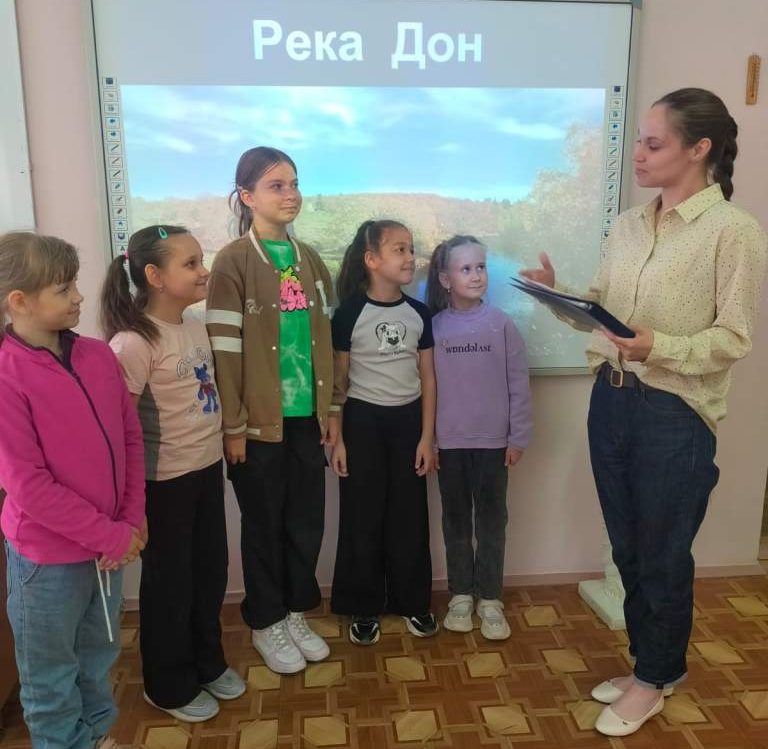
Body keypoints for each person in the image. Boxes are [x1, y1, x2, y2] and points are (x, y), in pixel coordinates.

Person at [522, 88, 767, 737]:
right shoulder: (629, 224)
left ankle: (654, 678)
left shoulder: (734, 232)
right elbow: (602, 308)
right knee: (628, 547)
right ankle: (651, 666)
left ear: (699, 148)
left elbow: (734, 338)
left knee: (662, 553)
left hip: (674, 412)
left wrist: (661, 346)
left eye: (653, 143)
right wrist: (555, 294)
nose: (638, 153)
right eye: (638, 140)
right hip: (611, 398)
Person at [0, 232, 145, 749]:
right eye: (63, 289)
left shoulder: (97, 356)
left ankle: (98, 736)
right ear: (20, 301)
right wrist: (110, 535)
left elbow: (130, 438)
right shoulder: (6, 375)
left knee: (97, 659)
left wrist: (131, 519)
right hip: (48, 560)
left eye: (74, 285)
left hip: (108, 549)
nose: (78, 297)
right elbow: (28, 486)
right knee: (51, 680)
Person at [101, 225, 245, 722]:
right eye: (191, 263)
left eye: (201, 260)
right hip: (163, 485)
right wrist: (129, 505)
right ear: (154, 276)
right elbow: (118, 428)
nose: (204, 271)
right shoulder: (132, 342)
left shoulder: (194, 324)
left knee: (209, 572)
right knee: (171, 585)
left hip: (204, 471)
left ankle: (207, 662)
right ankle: (167, 684)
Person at [206, 147, 334, 674]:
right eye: (277, 185)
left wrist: (331, 409)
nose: (291, 194)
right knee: (263, 525)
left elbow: (327, 341)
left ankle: (295, 612)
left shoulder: (310, 260)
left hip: (306, 420)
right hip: (256, 426)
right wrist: (233, 425)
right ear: (247, 196)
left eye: (294, 183)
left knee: (305, 523)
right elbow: (224, 351)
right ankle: (266, 620)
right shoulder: (233, 261)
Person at [329, 219, 438, 645]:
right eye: (399, 249)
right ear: (372, 260)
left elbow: (428, 378)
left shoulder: (419, 314)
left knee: (409, 516)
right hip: (362, 424)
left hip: (408, 423)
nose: (410, 257)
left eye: (411, 248)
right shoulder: (348, 314)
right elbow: (339, 382)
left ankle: (413, 602)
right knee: (362, 516)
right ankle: (364, 605)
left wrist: (427, 437)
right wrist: (338, 439)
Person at [426, 235, 532, 640]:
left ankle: (490, 599)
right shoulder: (434, 328)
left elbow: (519, 384)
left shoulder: (501, 324)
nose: (476, 276)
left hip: (494, 446)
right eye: (466, 269)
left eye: (481, 267)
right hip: (449, 446)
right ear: (446, 279)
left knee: (491, 523)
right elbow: (426, 389)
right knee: (455, 522)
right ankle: (460, 595)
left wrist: (518, 437)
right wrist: (431, 441)